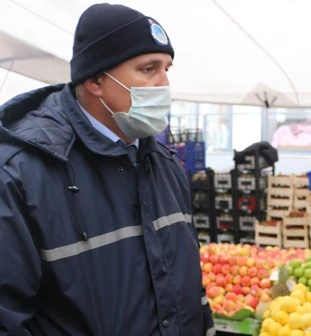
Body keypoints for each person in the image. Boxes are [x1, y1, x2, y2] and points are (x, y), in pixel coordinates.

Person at [0, 4, 214, 335]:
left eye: (167, 69)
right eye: (148, 69)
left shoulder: (165, 166)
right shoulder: (22, 174)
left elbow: (189, 292)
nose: (164, 84)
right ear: (95, 79)